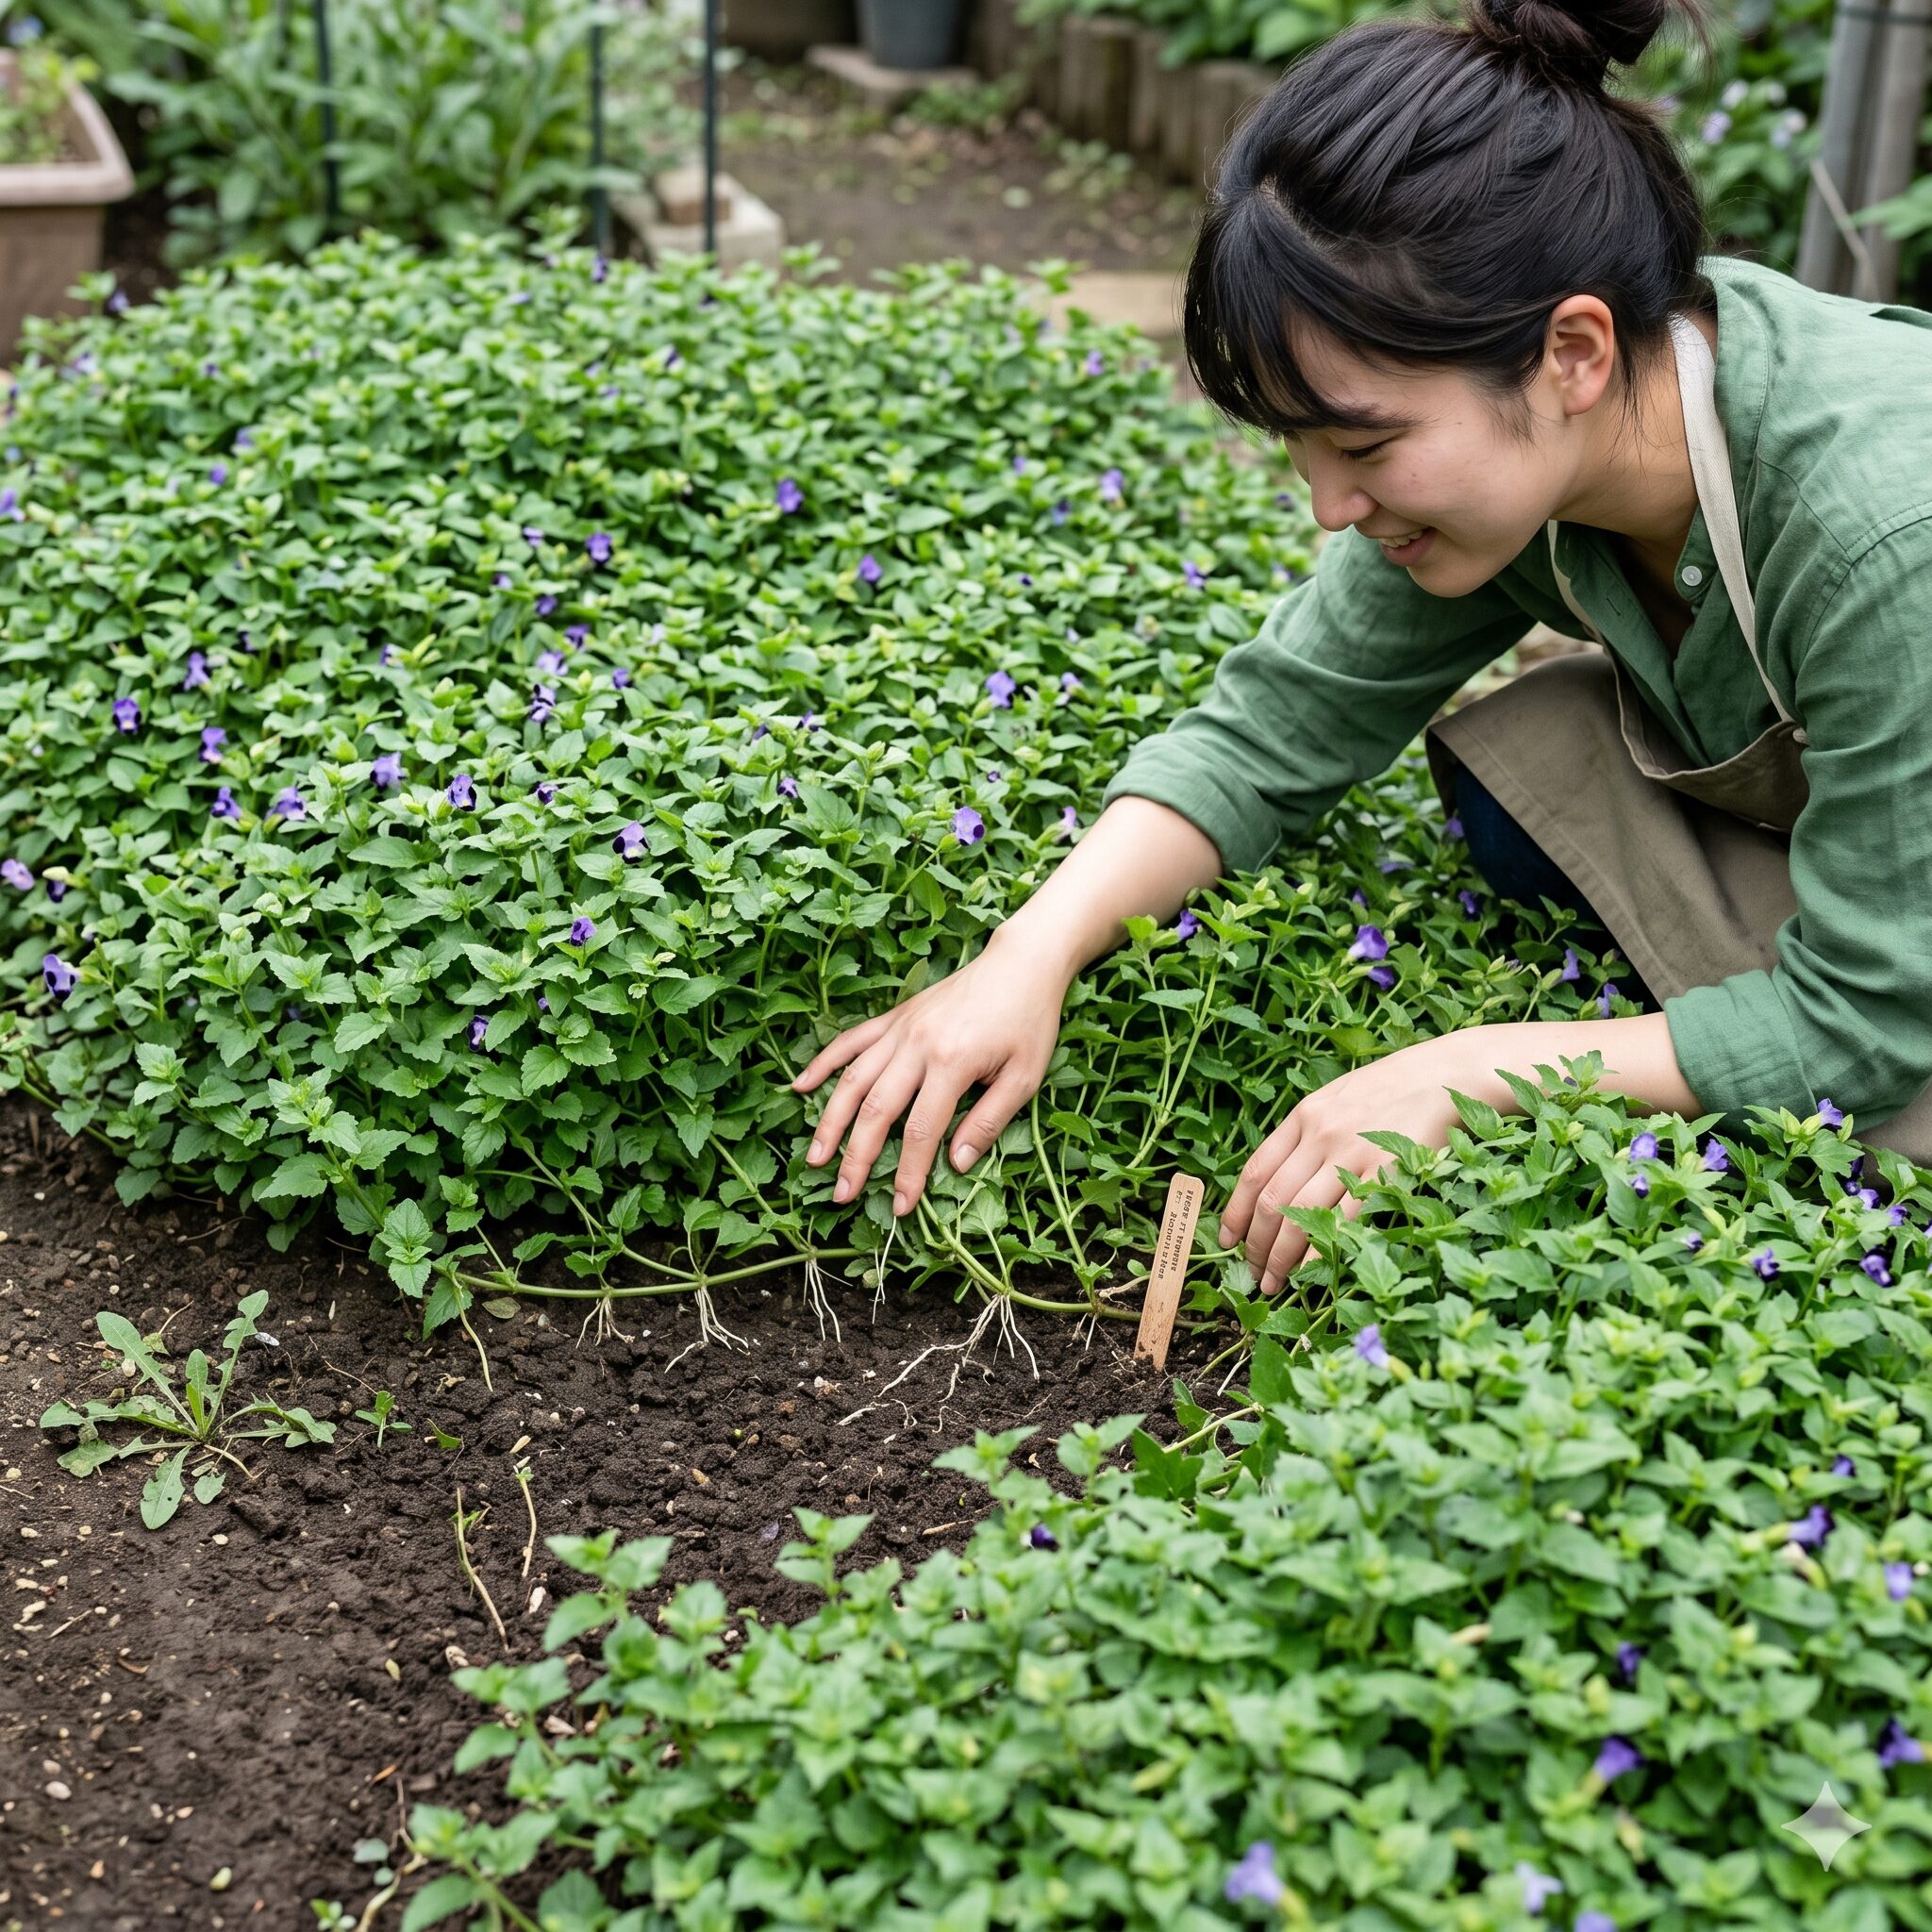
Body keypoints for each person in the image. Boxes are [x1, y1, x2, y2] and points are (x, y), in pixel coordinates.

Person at [791, 0, 1932, 1297]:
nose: (1330, 507)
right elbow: (1280, 724)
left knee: (1880, 1098)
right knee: (1534, 766)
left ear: (1571, 352)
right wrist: (1026, 957)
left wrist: (1470, 1070)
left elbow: (1868, 1024)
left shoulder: (1884, 527)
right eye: (1301, 448)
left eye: (1366, 444)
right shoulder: (1563, 447)